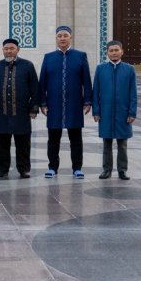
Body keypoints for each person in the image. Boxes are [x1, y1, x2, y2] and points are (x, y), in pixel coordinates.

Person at [38, 25, 93, 179]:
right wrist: (42, 102)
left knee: (76, 138)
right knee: (53, 138)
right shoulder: (48, 57)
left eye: (65, 35)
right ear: (56, 38)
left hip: (74, 104)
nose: (62, 38)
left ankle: (77, 168)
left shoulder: (80, 56)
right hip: (54, 105)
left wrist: (87, 100)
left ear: (70, 37)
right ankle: (52, 167)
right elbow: (42, 82)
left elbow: (86, 80)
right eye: (59, 36)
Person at [0, 37, 40, 178]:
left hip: (21, 112)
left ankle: (23, 169)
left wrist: (34, 108)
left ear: (17, 50)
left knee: (23, 143)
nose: (9, 51)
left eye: (12, 48)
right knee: (2, 143)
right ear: (3, 50)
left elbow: (35, 88)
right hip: (2, 112)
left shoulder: (27, 65)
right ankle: (3, 169)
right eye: (6, 49)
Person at [92, 39, 138, 180]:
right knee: (107, 143)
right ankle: (107, 169)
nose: (114, 53)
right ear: (107, 53)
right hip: (105, 111)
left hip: (123, 112)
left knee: (122, 144)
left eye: (116, 50)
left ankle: (122, 170)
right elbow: (96, 92)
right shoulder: (100, 69)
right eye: (111, 51)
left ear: (122, 52)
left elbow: (133, 93)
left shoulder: (129, 69)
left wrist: (132, 112)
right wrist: (96, 111)